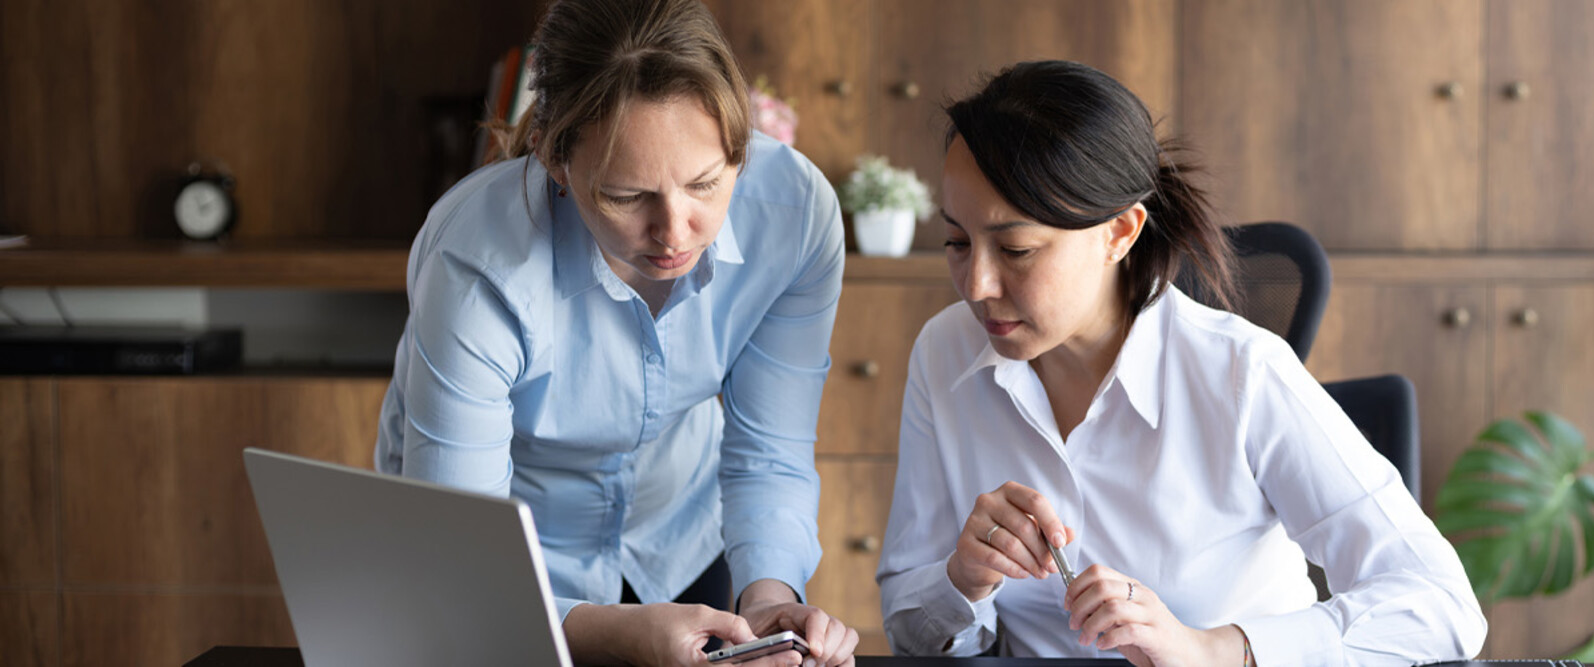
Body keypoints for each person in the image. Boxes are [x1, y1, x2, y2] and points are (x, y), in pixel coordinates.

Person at [875, 60, 1487, 666]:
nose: (976, 285)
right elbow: (911, 632)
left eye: (1016, 249)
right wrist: (963, 580)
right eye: (957, 242)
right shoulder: (943, 352)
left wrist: (1214, 649)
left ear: (1119, 232)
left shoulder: (1242, 372)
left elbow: (1440, 604)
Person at [373, 1, 857, 665]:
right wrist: (609, 632)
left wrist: (769, 597)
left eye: (706, 183)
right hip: (513, 562)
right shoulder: (477, 266)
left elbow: (769, 449)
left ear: (739, 150)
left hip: (680, 535)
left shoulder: (795, 216)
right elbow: (464, 565)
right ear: (554, 159)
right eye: (627, 196)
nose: (675, 230)